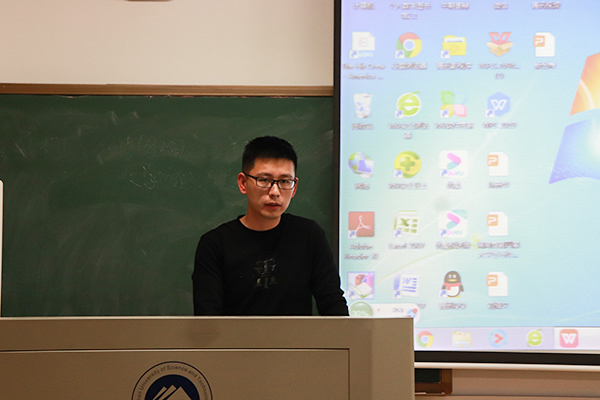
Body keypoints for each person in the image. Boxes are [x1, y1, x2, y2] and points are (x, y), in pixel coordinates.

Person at [193, 136, 348, 316]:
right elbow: (207, 319)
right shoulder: (215, 244)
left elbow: (332, 303)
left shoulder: (309, 235)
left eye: (284, 181)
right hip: (234, 336)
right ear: (243, 183)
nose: (275, 192)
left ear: (294, 187)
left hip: (298, 336)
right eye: (264, 180)